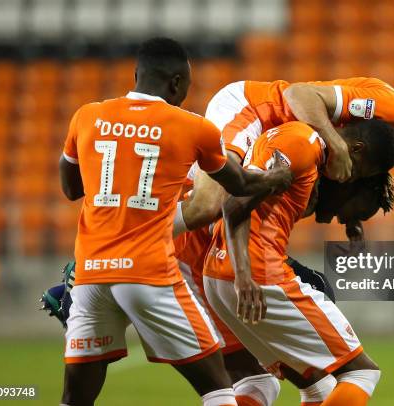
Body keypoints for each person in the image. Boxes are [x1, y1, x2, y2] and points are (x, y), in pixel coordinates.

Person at [57, 37, 292, 406]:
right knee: (219, 389)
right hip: (149, 274)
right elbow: (239, 185)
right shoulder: (192, 127)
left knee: (75, 399)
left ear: (136, 75)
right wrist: (277, 178)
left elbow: (71, 188)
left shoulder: (87, 115)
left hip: (90, 275)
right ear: (178, 83)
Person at [203, 118, 394, 406]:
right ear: (355, 149)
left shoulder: (301, 145)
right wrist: (245, 276)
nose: (347, 177)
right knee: (361, 373)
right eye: (356, 171)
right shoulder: (301, 141)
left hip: (219, 275)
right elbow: (235, 204)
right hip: (258, 275)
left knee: (312, 387)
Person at [178, 77, 394, 240]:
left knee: (217, 223)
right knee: (208, 205)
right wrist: (337, 144)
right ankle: (132, 247)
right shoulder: (390, 109)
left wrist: (352, 221)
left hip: (273, 148)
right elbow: (298, 94)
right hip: (254, 111)